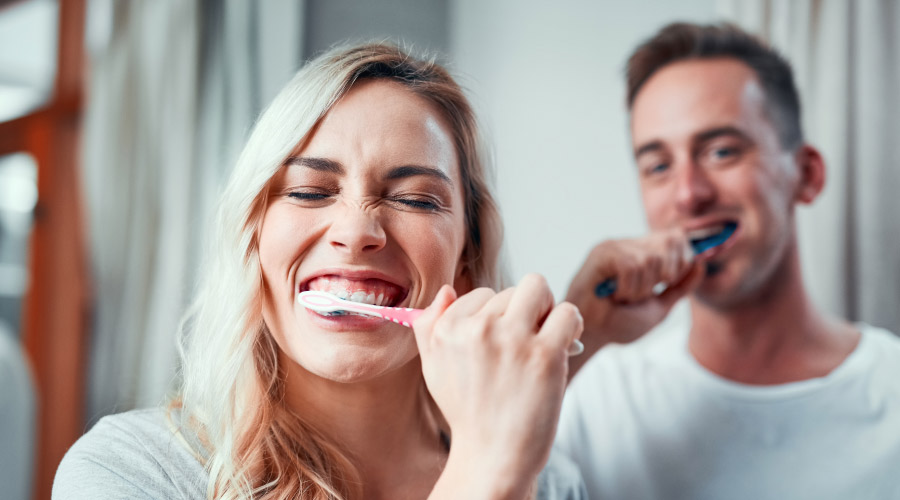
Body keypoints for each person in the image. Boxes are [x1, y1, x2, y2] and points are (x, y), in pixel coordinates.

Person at [54, 42, 586, 499]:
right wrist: (486, 473)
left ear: (466, 262)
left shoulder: (549, 482)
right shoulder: (131, 472)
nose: (357, 231)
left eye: (416, 200)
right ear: (253, 239)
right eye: (309, 191)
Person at [556, 22, 900, 500]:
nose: (689, 194)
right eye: (659, 165)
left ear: (806, 174)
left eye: (721, 152)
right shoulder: (592, 399)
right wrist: (574, 340)